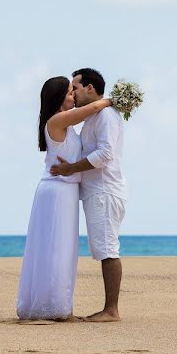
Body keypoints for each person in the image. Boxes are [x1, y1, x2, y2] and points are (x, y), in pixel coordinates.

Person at [16, 77, 111, 320]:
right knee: (56, 249)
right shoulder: (57, 120)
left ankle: (56, 305)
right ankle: (56, 308)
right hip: (57, 191)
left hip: (66, 191)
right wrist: (116, 99)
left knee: (62, 249)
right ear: (59, 98)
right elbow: (92, 108)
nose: (74, 97)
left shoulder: (66, 126)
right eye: (70, 93)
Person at [51, 68, 126, 322]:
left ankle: (111, 310)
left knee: (107, 249)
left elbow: (105, 155)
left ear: (90, 88)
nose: (73, 92)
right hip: (97, 192)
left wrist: (71, 168)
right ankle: (109, 308)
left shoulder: (105, 115)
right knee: (103, 248)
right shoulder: (93, 117)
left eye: (76, 87)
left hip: (104, 191)